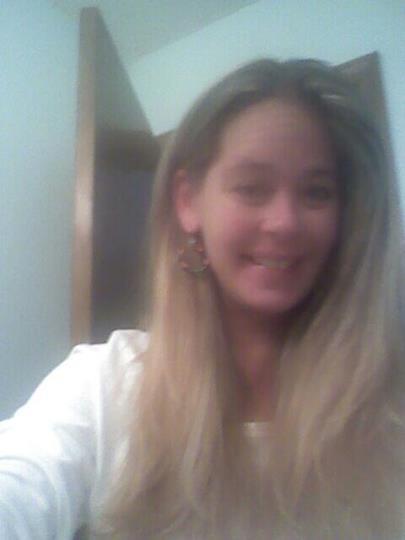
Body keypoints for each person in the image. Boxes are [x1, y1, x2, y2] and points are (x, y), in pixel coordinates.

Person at [1, 58, 404, 540]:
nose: (285, 222)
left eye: (317, 193)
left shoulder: (388, 406)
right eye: (252, 188)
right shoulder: (102, 385)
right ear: (188, 201)